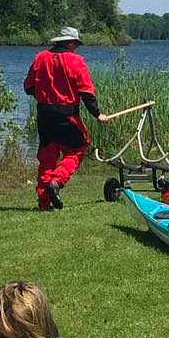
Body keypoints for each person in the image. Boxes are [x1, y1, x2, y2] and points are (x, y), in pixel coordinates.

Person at [24, 27, 107, 211]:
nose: (75, 48)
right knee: (78, 148)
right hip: (66, 115)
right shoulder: (75, 61)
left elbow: (28, 88)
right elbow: (86, 92)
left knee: (47, 157)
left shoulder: (40, 58)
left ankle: (44, 203)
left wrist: (46, 90)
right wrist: (97, 114)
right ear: (69, 43)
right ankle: (57, 181)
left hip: (44, 116)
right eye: (75, 44)